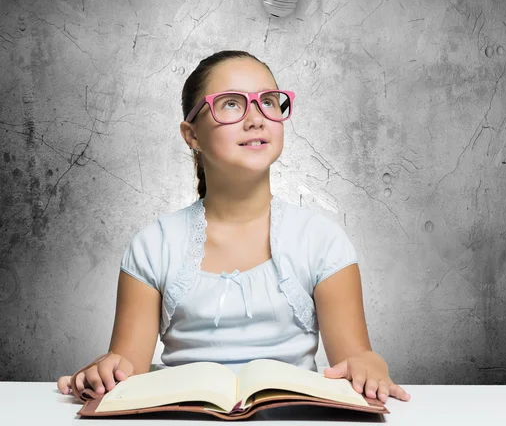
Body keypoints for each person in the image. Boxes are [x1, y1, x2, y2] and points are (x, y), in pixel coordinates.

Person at [57, 50, 411, 404]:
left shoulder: (323, 241)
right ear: (191, 135)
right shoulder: (153, 245)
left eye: (269, 102)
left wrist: (369, 364)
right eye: (230, 104)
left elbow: (355, 359)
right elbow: (126, 369)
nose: (256, 119)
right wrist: (104, 372)